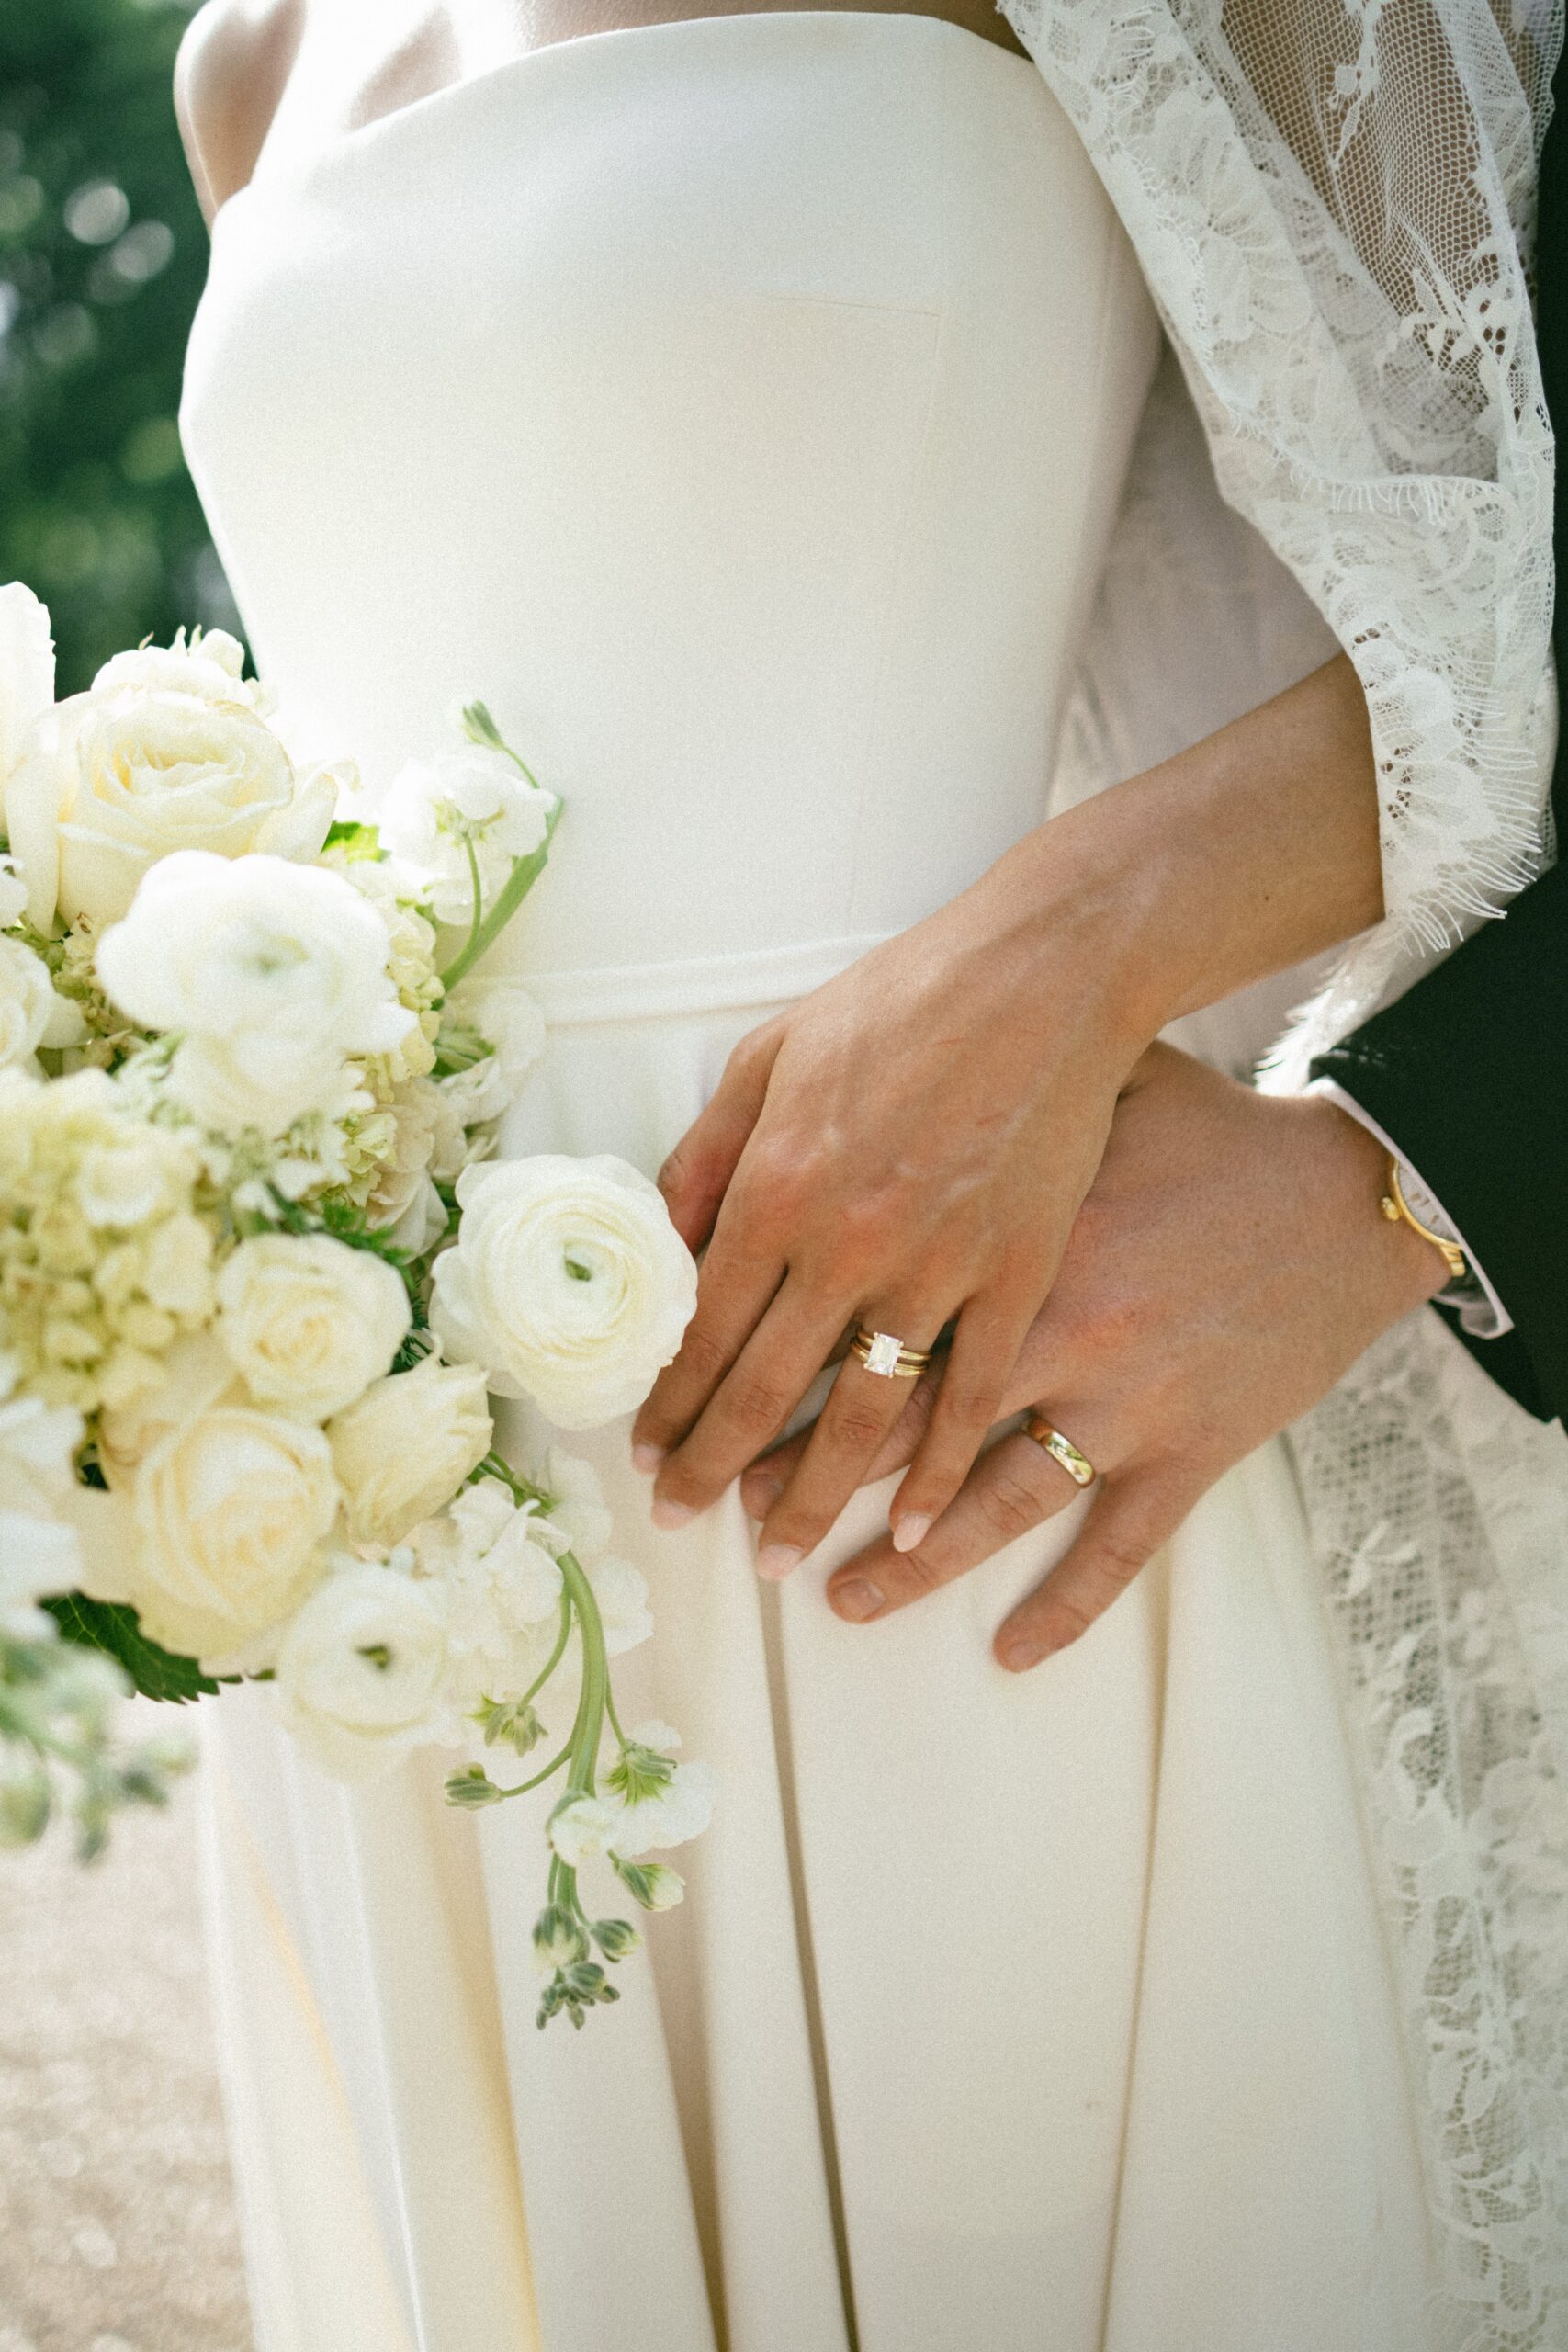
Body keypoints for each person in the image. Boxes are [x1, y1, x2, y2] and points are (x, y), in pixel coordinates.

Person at [175, 3, 1568, 2348]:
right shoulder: (247, 58)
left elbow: (1505, 573)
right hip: (408, 1523)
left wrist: (1089, 944)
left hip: (947, 1402)